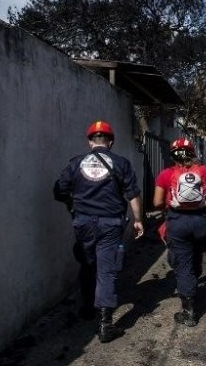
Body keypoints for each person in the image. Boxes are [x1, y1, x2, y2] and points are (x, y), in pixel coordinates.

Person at [53, 120, 144, 343]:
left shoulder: (76, 163)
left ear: (89, 142)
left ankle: (86, 307)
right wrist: (139, 220)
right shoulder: (121, 163)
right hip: (110, 224)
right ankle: (105, 324)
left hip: (82, 223)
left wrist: (72, 204)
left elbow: (59, 190)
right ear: (110, 142)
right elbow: (133, 195)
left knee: (87, 263)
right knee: (105, 270)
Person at [153, 137, 206, 327]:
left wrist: (171, 200)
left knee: (183, 266)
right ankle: (195, 274)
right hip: (202, 221)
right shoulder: (202, 170)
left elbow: (157, 203)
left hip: (178, 222)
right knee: (196, 252)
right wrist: (205, 198)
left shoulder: (167, 174)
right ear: (192, 152)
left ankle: (189, 311)